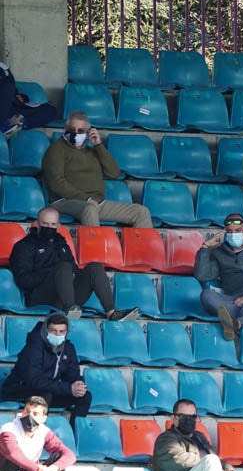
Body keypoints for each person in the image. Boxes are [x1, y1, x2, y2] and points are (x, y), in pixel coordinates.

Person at [9, 206, 139, 321]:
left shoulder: (61, 243)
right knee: (64, 267)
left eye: (53, 224)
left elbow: (74, 270)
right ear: (36, 224)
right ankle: (69, 309)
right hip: (41, 297)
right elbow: (23, 280)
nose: (49, 228)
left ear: (58, 226)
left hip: (67, 294)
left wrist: (66, 275)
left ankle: (111, 312)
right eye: (45, 224)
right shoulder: (24, 246)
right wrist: (54, 273)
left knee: (95, 267)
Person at [41, 111, 153, 228]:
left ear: (88, 132)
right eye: (72, 129)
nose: (75, 133)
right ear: (65, 129)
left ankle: (142, 246)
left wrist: (98, 145)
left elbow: (114, 173)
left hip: (97, 202)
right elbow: (56, 183)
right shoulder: (55, 150)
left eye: (80, 131)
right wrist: (86, 199)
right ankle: (94, 245)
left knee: (141, 212)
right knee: (90, 209)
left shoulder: (92, 151)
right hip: (64, 201)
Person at [193, 212, 243, 341]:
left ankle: (236, 324)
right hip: (233, 299)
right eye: (230, 231)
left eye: (237, 230)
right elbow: (203, 276)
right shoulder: (219, 251)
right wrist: (205, 248)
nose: (233, 234)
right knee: (206, 295)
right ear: (225, 232)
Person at [2, 313, 93, 421]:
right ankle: (34, 433)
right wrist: (68, 388)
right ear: (46, 330)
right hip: (20, 390)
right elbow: (33, 380)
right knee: (45, 396)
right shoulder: (34, 346)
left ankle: (74, 434)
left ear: (66, 332)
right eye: (53, 330)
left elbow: (72, 374)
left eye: (61, 331)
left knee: (85, 396)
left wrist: (78, 385)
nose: (57, 334)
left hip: (47, 390)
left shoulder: (68, 348)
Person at [0, 61, 56, 137]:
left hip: (12, 111)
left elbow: (14, 92)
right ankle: (4, 126)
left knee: (50, 110)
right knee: (7, 87)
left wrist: (21, 98)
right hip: (3, 114)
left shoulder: (4, 69)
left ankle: (20, 125)